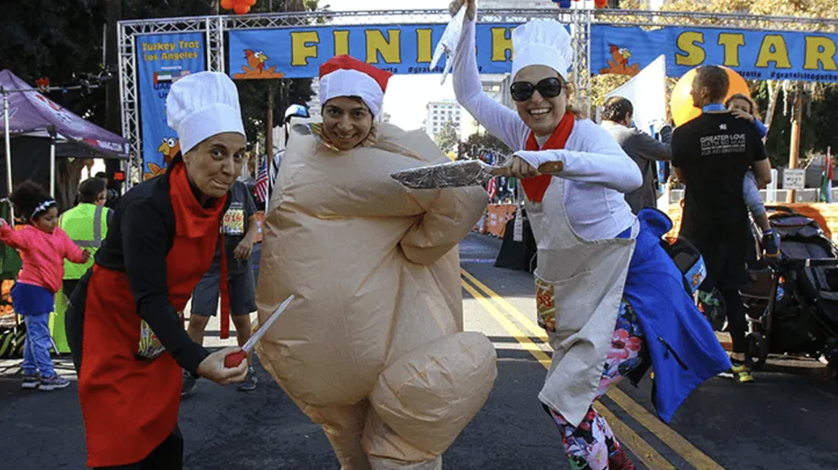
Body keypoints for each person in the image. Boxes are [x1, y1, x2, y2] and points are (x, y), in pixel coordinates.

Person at [451, 2, 731, 469]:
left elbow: (627, 175)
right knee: (568, 404)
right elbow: (468, 94)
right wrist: (466, 23)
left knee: (565, 400)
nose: (536, 100)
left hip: (634, 290)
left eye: (548, 88)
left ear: (567, 90)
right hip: (577, 294)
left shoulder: (587, 136)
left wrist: (551, 160)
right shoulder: (521, 130)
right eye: (523, 90)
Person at [256, 55, 497, 470]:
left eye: (357, 114)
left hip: (385, 331)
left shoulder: (392, 156)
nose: (344, 125)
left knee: (396, 448)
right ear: (322, 111)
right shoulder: (304, 156)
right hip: (330, 345)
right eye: (335, 112)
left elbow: (462, 194)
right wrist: (419, 243)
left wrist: (416, 245)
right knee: (359, 449)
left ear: (373, 116)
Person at [67, 72, 250, 469]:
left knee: (162, 431)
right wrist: (197, 359)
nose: (230, 168)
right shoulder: (147, 206)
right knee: (121, 440)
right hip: (109, 320)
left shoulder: (220, 197)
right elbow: (148, 295)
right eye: (217, 153)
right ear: (188, 153)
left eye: (239, 155)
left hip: (156, 325)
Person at [672, 66, 773, 385]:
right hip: (733, 225)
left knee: (687, 291)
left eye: (693, 88)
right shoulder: (746, 129)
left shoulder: (683, 133)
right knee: (731, 292)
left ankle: (685, 358)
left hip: (697, 225)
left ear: (704, 92)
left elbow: (681, 177)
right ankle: (740, 362)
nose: (689, 93)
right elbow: (765, 175)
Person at [0, 181, 90, 391]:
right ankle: (47, 375)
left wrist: (81, 256)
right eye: (48, 219)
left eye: (55, 217)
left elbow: (71, 251)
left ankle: (30, 372)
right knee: (39, 334)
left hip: (44, 289)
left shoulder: (59, 234)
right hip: (33, 289)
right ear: (35, 220)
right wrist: (3, 228)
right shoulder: (28, 235)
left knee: (35, 333)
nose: (54, 222)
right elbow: (11, 238)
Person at [182, 178, 259, 395]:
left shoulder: (240, 189)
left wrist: (248, 239)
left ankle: (247, 368)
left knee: (241, 319)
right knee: (198, 318)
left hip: (239, 265)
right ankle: (190, 369)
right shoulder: (202, 188)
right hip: (209, 266)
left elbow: (252, 220)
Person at [725, 93, 780, 257]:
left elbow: (763, 131)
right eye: (735, 107)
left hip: (744, 173)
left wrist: (752, 120)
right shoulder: (720, 126)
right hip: (723, 173)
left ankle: (767, 232)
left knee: (753, 198)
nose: (739, 111)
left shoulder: (751, 130)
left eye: (744, 109)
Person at [600, 96, 673, 214]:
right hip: (636, 211)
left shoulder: (595, 135)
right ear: (627, 116)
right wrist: (665, 130)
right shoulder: (632, 136)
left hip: (606, 211)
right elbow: (669, 152)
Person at [60, 178, 112, 301]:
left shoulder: (64, 216)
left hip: (69, 276)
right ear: (99, 197)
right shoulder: (106, 214)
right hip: (96, 274)